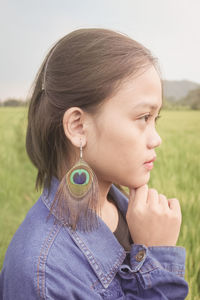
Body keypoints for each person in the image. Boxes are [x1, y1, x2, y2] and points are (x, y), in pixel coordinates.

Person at [0, 28, 189, 299]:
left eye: (155, 119)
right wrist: (155, 257)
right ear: (78, 127)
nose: (156, 139)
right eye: (143, 117)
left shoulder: (130, 211)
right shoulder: (43, 277)